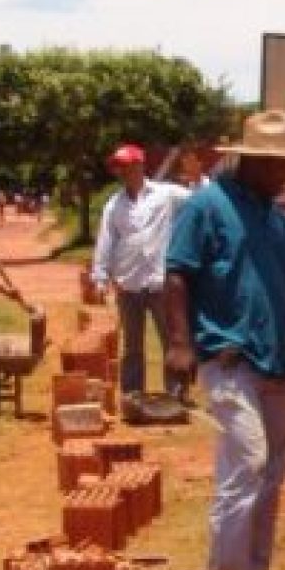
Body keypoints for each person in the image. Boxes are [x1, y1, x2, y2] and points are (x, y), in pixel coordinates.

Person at [163, 110, 285, 570]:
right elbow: (176, 274)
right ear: (252, 159)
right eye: (279, 165)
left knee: (273, 471)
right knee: (248, 462)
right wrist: (179, 343)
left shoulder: (274, 219)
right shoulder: (207, 205)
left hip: (276, 361)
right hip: (230, 357)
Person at [90, 143, 191, 402]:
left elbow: (199, 199)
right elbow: (106, 240)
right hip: (129, 283)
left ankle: (177, 392)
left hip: (160, 282)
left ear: (139, 165)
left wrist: (199, 177)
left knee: (170, 340)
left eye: (126, 166)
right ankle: (132, 393)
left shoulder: (165, 194)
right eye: (118, 167)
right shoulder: (114, 204)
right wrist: (100, 276)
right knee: (133, 345)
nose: (122, 172)